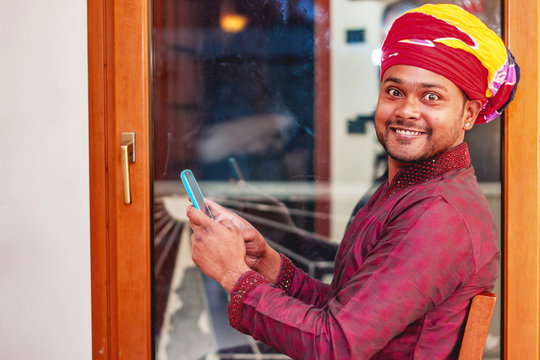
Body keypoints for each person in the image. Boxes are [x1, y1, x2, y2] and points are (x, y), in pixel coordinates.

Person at [186, 4, 519, 359]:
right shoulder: (410, 188)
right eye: (394, 91)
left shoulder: (439, 215)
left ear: (468, 113)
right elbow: (342, 313)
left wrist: (234, 275)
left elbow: (334, 344)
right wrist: (266, 262)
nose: (407, 110)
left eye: (431, 97)